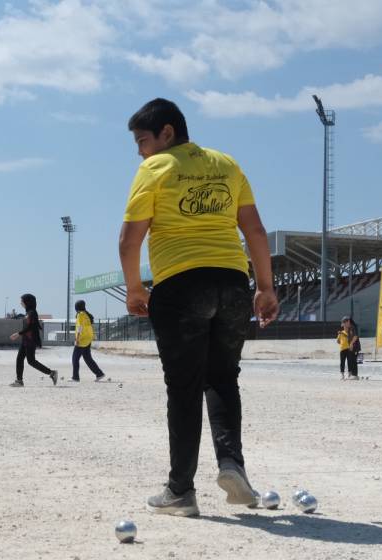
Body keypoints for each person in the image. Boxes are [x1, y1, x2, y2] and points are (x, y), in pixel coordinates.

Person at [118, 98, 279, 516]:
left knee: (184, 388)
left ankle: (180, 491)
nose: (140, 151)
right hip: (231, 282)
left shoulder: (155, 169)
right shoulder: (227, 164)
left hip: (181, 285)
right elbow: (256, 231)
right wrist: (265, 287)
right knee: (223, 379)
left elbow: (130, 238)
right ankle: (232, 465)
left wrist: (135, 290)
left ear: (167, 133)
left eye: (142, 141)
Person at [9, 293, 58, 387]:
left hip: (31, 340)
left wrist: (18, 334)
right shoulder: (28, 312)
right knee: (19, 359)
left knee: (31, 361)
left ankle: (52, 373)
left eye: (22, 301)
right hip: (25, 340)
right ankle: (19, 381)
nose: (20, 303)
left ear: (27, 302)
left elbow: (31, 327)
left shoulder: (32, 313)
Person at [71, 299, 106, 382]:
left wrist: (77, 338)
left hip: (82, 339)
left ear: (76, 307)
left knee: (75, 358)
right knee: (88, 358)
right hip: (88, 339)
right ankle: (99, 374)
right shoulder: (87, 315)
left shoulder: (80, 315)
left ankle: (75, 377)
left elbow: (79, 327)